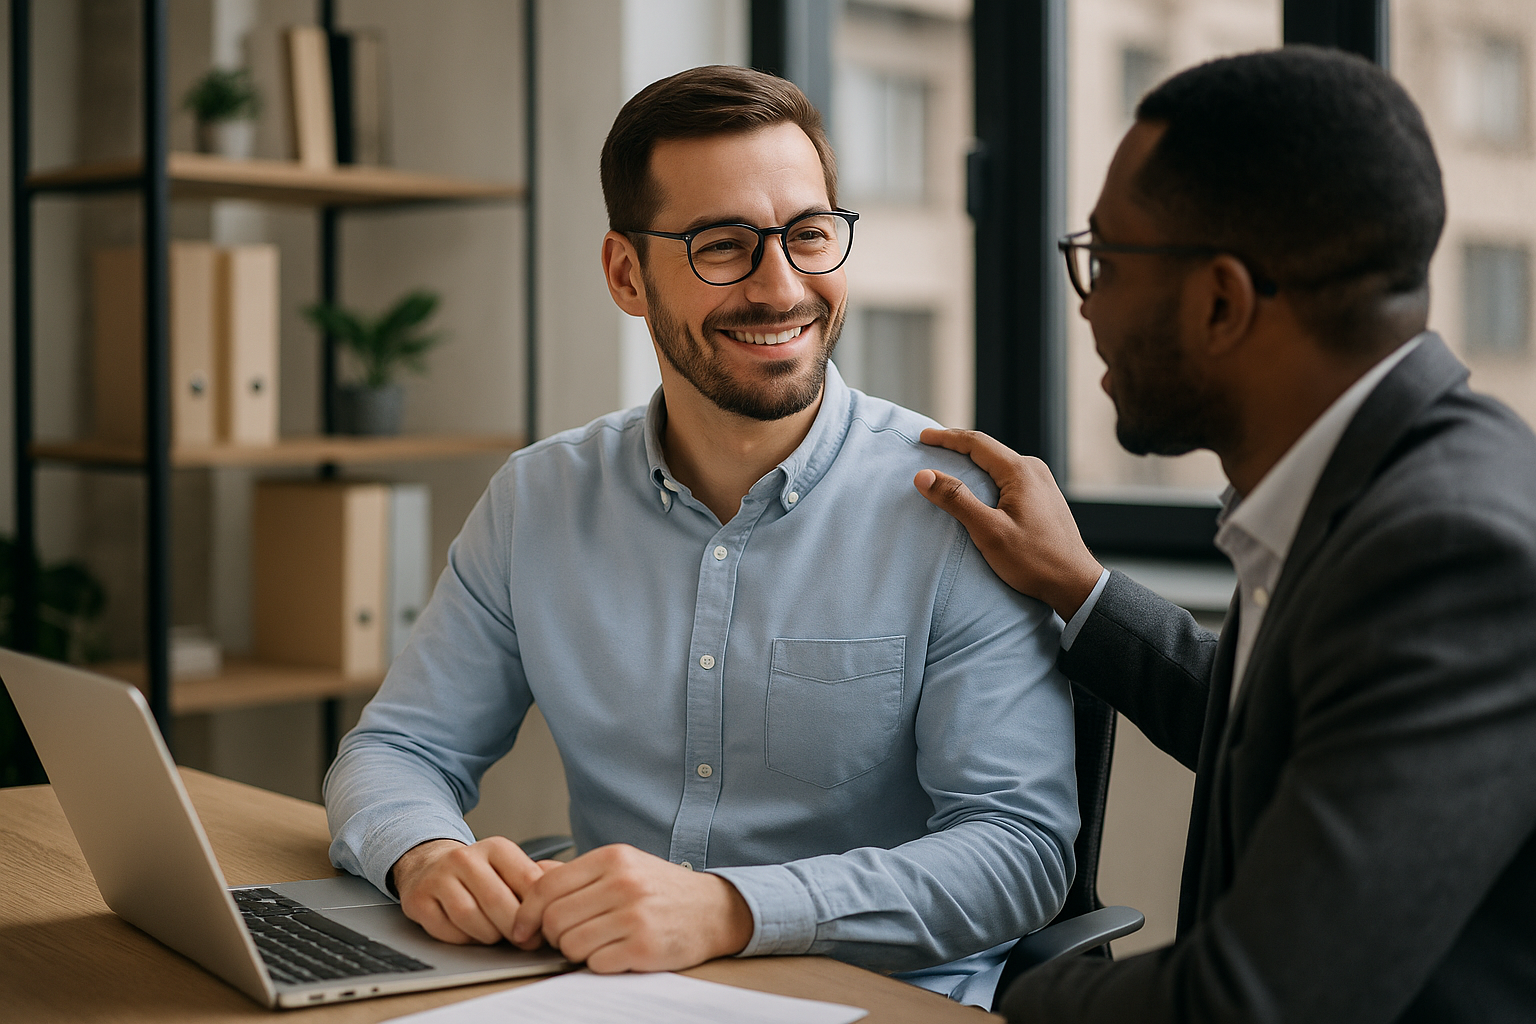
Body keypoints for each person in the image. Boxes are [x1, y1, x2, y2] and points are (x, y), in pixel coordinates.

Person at [324, 65, 1078, 1007]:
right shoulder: (538, 500)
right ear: (626, 275)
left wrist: (732, 911)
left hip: (870, 1000)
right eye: (723, 246)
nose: (781, 287)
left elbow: (1018, 854)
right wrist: (425, 853)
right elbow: (397, 749)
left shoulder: (956, 513)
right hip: (611, 991)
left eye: (810, 235)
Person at [917, 47, 1536, 1023]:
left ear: (1220, 301)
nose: (1086, 302)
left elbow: (1250, 1003)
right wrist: (1080, 588)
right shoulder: (1363, 483)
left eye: (1104, 261)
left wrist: (978, 1008)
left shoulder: (1450, 550)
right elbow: (1281, 728)